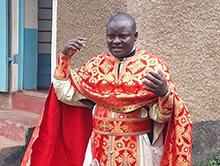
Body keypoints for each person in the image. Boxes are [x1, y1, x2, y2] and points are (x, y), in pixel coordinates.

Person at [21, 12, 192, 166]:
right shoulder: (95, 66)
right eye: (111, 36)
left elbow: (161, 116)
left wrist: (164, 94)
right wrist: (65, 57)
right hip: (98, 146)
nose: (116, 41)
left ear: (135, 36)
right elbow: (65, 93)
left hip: (136, 149)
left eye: (122, 36)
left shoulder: (153, 67)